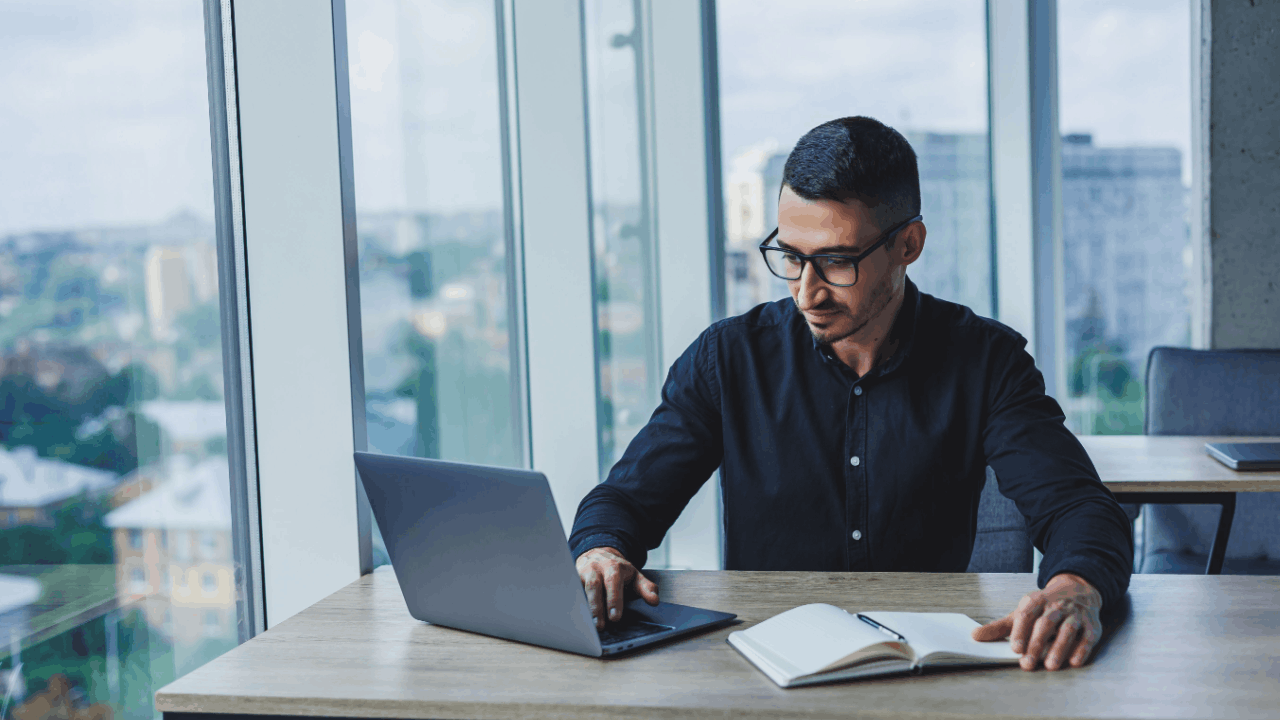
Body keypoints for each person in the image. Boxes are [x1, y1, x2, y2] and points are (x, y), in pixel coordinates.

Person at [569, 116, 1133, 672]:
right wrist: (601, 551)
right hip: (764, 670)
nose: (807, 292)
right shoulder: (729, 358)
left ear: (908, 245)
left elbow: (1078, 507)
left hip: (928, 674)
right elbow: (624, 501)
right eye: (791, 256)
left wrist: (1074, 587)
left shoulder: (986, 361)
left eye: (836, 261)